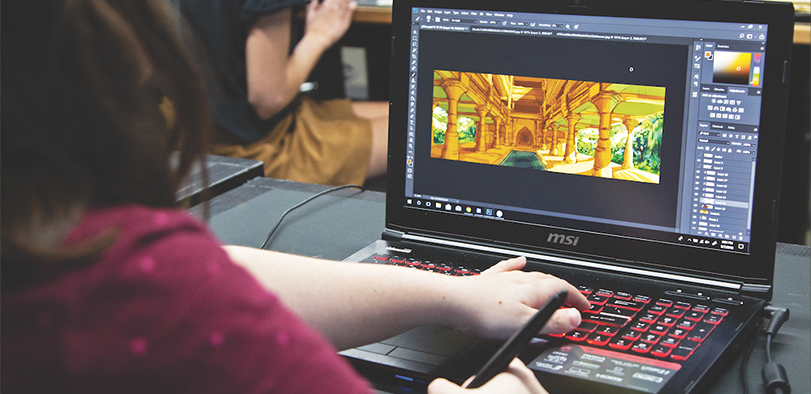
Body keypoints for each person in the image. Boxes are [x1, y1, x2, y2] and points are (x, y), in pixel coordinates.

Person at [0, 0, 589, 393]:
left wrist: (455, 295)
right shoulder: (117, 280)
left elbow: (213, 275)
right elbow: (178, 284)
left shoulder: (46, 239)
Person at [173, 0, 389, 187]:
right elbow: (269, 100)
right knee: (409, 134)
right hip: (246, 151)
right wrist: (319, 36)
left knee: (403, 113)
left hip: (197, 132)